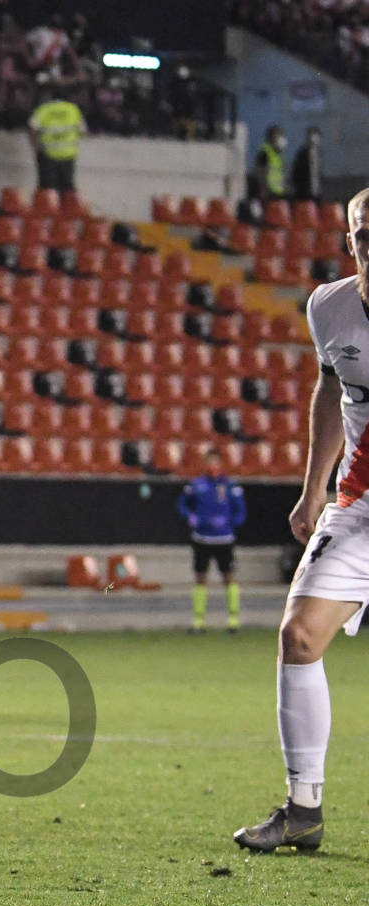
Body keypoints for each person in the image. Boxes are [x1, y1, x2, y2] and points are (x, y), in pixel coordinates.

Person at [233, 187, 369, 855]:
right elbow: (330, 386)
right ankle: (303, 809)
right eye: (364, 233)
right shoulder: (329, 307)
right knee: (298, 636)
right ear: (350, 241)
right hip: (359, 502)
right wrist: (312, 486)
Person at [180, 448, 247, 634]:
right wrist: (191, 518)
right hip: (202, 537)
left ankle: (233, 619)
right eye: (209, 462)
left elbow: (241, 511)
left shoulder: (231, 486)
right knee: (200, 577)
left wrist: (230, 524)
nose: (212, 465)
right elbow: (183, 504)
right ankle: (198, 620)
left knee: (229, 576)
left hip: (224, 538)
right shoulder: (196, 485)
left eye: (215, 462)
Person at [28, 85, 84, 193]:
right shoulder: (73, 109)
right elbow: (83, 131)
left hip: (48, 155)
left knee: (47, 189)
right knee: (67, 190)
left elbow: (32, 128)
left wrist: (37, 147)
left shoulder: (44, 109)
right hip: (68, 156)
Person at [251, 125, 289, 203]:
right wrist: (263, 191)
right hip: (268, 194)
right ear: (271, 138)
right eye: (278, 136)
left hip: (278, 193)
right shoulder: (265, 153)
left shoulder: (278, 154)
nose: (281, 139)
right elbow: (260, 173)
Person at [293, 126, 323, 203]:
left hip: (317, 190)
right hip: (305, 191)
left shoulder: (319, 153)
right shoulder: (302, 154)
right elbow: (296, 172)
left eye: (315, 135)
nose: (313, 138)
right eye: (311, 135)